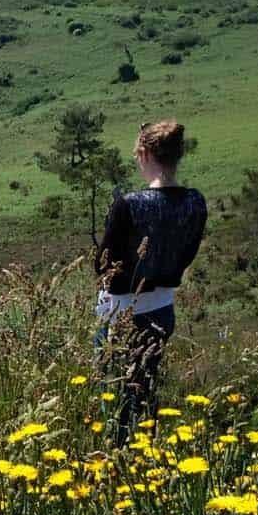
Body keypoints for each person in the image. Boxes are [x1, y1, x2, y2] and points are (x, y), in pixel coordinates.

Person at [95, 120, 207, 437]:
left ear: (144, 154)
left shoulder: (128, 204)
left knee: (115, 401)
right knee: (146, 397)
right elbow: (186, 256)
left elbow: (103, 265)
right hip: (162, 309)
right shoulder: (194, 202)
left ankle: (116, 466)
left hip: (121, 312)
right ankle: (145, 461)